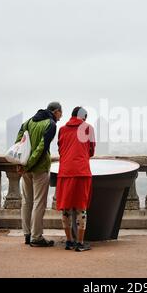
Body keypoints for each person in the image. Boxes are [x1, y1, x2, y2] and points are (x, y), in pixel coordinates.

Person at [16, 102, 62, 247]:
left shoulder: (28, 122)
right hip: (40, 168)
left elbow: (18, 143)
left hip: (25, 168)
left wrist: (21, 163)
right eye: (61, 113)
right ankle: (36, 237)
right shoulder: (51, 124)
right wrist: (30, 163)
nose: (61, 116)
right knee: (39, 203)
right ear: (56, 112)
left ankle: (27, 234)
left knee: (26, 201)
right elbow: (42, 147)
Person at [56, 106, 95, 252]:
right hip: (81, 172)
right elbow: (91, 150)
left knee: (66, 209)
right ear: (83, 117)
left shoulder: (62, 129)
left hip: (65, 172)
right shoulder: (88, 129)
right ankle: (79, 243)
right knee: (81, 208)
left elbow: (60, 149)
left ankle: (69, 241)